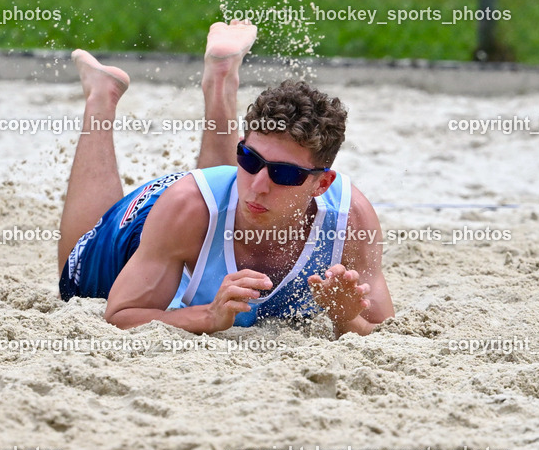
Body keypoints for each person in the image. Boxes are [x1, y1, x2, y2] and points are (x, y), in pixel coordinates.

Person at [58, 20, 394, 336]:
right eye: (248, 158)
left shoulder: (350, 221)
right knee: (74, 277)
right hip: (165, 217)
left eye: (284, 173)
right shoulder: (187, 207)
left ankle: (220, 80)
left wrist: (345, 316)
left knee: (232, 201)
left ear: (322, 184)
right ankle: (101, 98)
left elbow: (383, 332)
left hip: (210, 210)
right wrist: (208, 316)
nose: (259, 184)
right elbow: (121, 315)